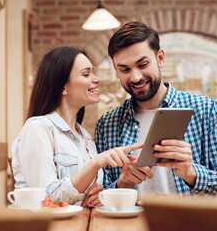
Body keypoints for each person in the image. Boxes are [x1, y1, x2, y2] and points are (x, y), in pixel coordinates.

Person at [95, 22, 217, 196]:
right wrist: (123, 182)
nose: (135, 77)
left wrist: (191, 173)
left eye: (142, 65)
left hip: (193, 222)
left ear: (160, 58)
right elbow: (98, 196)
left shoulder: (207, 110)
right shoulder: (106, 124)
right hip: (130, 222)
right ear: (115, 69)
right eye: (124, 69)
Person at [11, 46, 142, 206]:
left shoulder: (85, 138)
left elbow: (82, 199)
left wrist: (98, 197)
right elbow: (46, 200)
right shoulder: (38, 128)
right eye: (86, 74)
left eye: (93, 72)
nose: (96, 79)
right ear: (63, 87)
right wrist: (95, 164)